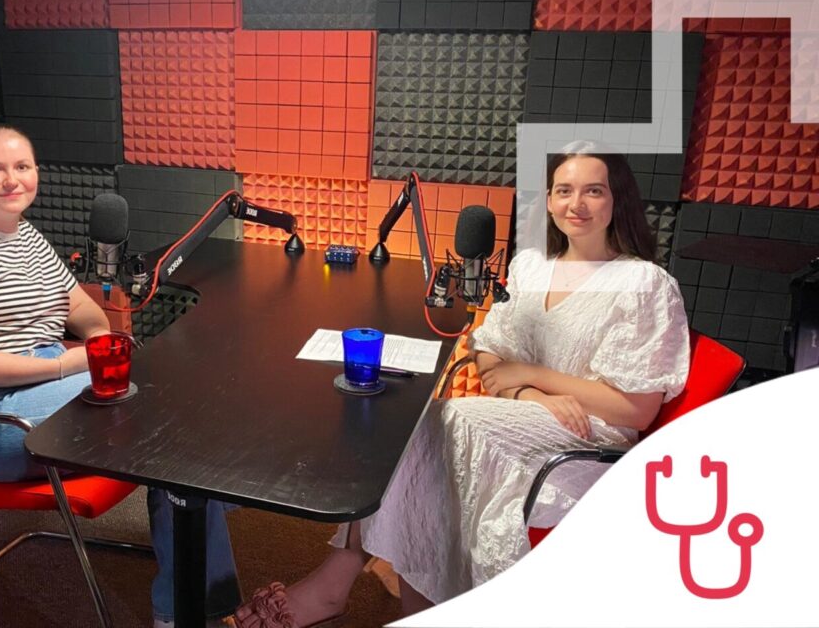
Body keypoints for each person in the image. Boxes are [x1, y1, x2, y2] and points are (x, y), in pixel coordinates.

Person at [233, 143, 691, 626]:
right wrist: (533, 396)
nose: (576, 204)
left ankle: (336, 585)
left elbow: (636, 408)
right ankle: (369, 594)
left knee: (438, 428)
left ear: (618, 199)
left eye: (593, 191)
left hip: (586, 442)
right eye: (564, 191)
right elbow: (489, 354)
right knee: (423, 437)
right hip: (528, 415)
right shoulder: (532, 266)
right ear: (549, 200)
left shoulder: (645, 283)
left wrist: (532, 375)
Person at [0, 124, 241, 627]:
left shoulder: (28, 239)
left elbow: (83, 311)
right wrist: (66, 364)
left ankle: (199, 603)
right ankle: (184, 610)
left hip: (45, 390)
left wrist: (100, 344)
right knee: (169, 414)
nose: (11, 179)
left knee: (174, 420)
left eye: (22, 166)